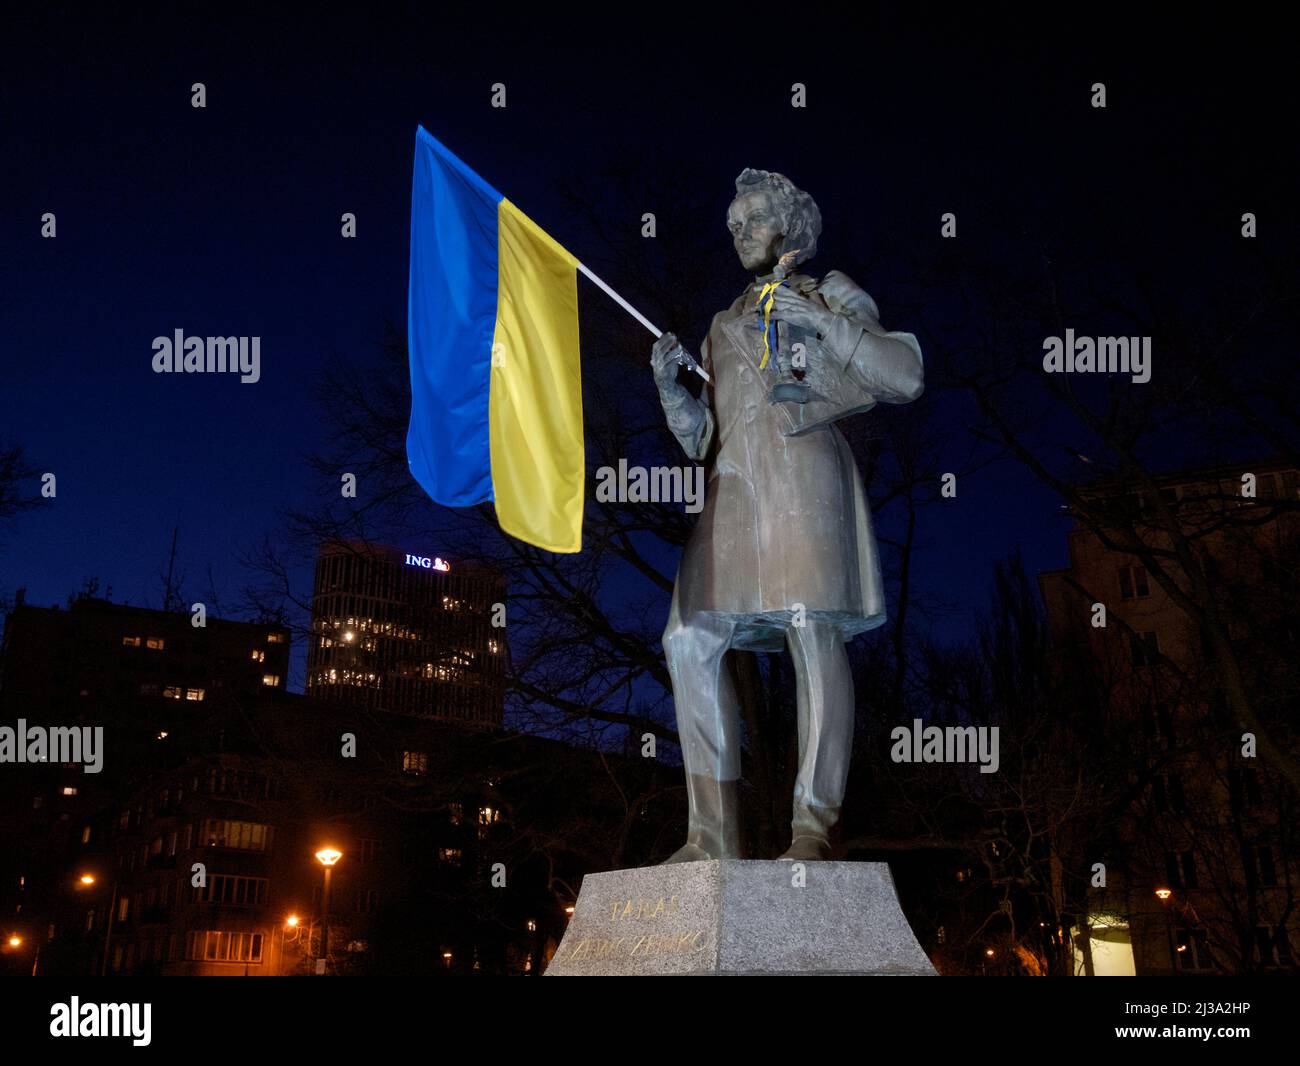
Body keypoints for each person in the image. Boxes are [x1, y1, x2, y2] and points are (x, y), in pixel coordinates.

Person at [652, 167, 924, 861]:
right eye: (731, 224)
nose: (736, 231)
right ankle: (709, 836)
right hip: (737, 487)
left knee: (811, 628)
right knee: (687, 637)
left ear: (788, 227)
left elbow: (903, 376)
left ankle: (812, 826)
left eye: (749, 219)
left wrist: (826, 323)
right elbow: (703, 437)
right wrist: (671, 391)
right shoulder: (722, 322)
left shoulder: (827, 289)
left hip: (804, 477)